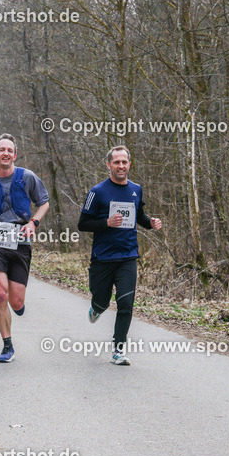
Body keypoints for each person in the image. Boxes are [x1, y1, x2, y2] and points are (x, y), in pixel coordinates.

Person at [78, 145, 162, 365]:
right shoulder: (97, 192)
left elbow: (140, 215)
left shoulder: (136, 189)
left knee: (126, 304)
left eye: (124, 162)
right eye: (116, 162)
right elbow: (82, 224)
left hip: (127, 256)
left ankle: (118, 350)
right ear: (109, 165)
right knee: (102, 301)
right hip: (103, 258)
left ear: (129, 164)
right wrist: (105, 222)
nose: (121, 166)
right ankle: (97, 307)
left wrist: (151, 223)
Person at [0, 134, 49, 363]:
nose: (5, 153)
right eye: (1, 150)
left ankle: (18, 305)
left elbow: (44, 202)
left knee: (16, 301)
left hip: (20, 241)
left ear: (14, 155)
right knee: (0, 292)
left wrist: (33, 223)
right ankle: (7, 345)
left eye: (9, 150)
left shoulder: (27, 177)